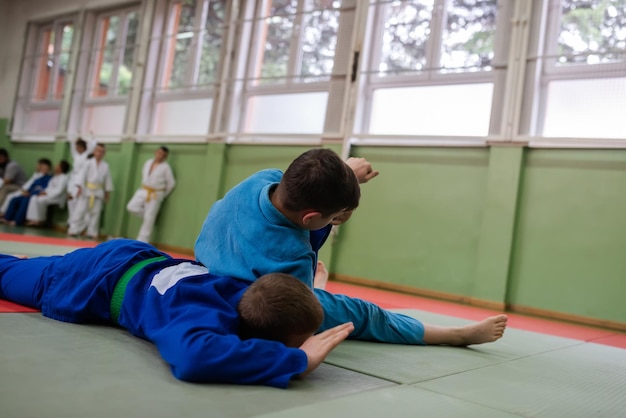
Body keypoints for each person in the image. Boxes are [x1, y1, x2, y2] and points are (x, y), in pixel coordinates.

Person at [195, 148, 507, 347]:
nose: (337, 221)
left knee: (310, 277)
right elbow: (300, 318)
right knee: (364, 313)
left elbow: (305, 188)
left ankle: (314, 287)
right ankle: (456, 335)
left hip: (206, 270)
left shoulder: (261, 180)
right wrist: (314, 291)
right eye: (334, 218)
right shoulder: (291, 254)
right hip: (258, 305)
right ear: (312, 217)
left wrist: (343, 176)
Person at [0, 239, 354, 388]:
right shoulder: (198, 317)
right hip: (87, 282)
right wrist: (295, 361)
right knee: (8, 274)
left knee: (24, 269)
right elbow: (195, 357)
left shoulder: (250, 289)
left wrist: (313, 292)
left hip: (130, 255)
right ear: (254, 337)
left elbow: (284, 300)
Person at [126, 146, 176, 242]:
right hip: (144, 190)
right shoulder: (148, 162)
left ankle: (142, 241)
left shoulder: (166, 167)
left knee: (149, 219)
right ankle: (152, 215)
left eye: (163, 155)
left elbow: (171, 184)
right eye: (159, 153)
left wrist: (162, 195)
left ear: (166, 157)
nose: (160, 156)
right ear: (156, 152)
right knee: (131, 207)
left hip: (156, 194)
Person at [67, 143, 113, 240]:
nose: (100, 153)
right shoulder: (88, 163)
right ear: (94, 152)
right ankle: (73, 229)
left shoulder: (105, 166)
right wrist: (79, 188)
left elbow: (107, 180)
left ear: (104, 153)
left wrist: (107, 193)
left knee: (95, 213)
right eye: (98, 151)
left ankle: (92, 232)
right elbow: (81, 176)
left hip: (98, 192)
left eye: (102, 152)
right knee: (80, 211)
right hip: (86, 190)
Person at [1, 158, 53, 226]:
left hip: (34, 195)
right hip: (29, 193)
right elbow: (31, 186)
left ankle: (17, 221)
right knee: (14, 199)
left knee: (24, 201)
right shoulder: (38, 177)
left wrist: (32, 193)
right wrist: (26, 191)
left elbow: (43, 189)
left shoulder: (49, 178)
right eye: (41, 167)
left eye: (44, 168)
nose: (41, 168)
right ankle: (7, 218)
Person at [25, 160, 71, 226]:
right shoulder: (55, 176)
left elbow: (59, 191)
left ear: (61, 168)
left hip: (57, 197)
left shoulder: (64, 177)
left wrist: (47, 194)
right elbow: (49, 187)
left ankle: (40, 220)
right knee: (34, 198)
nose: (55, 167)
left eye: (57, 165)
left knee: (41, 200)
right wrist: (43, 192)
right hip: (48, 195)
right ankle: (32, 219)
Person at [66, 137, 97, 223]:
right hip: (73, 178)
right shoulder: (76, 155)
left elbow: (92, 146)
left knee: (77, 200)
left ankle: (77, 222)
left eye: (78, 147)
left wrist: (91, 137)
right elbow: (72, 147)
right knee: (70, 200)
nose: (76, 149)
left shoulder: (87, 155)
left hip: (81, 179)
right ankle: (71, 220)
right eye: (76, 147)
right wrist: (75, 139)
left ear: (83, 147)